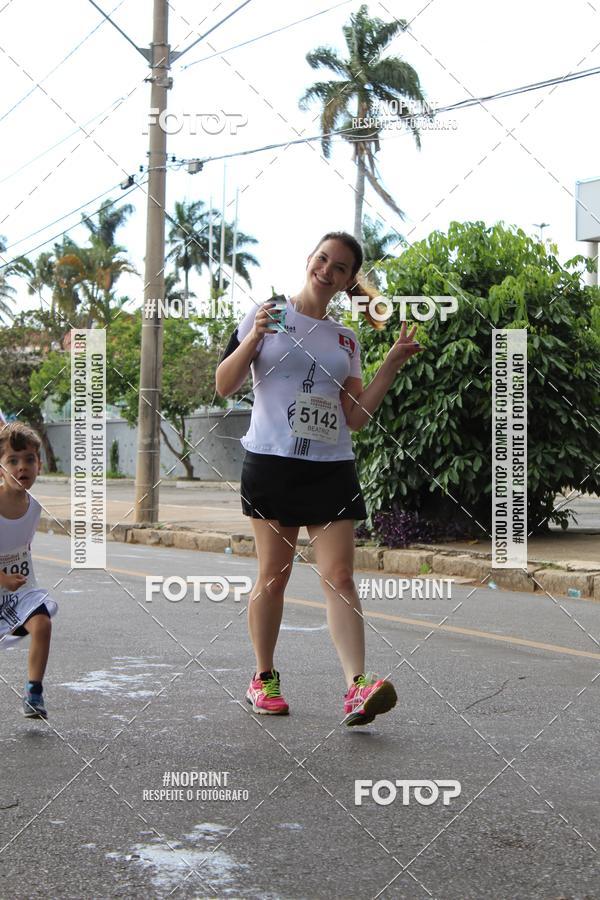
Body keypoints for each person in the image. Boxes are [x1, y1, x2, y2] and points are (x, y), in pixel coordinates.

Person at [216, 231, 423, 726]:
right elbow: (224, 385)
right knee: (274, 576)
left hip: (331, 467)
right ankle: (263, 678)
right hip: (272, 461)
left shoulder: (345, 339)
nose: (327, 270)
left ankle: (357, 687)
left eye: (340, 266)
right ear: (309, 259)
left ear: (350, 280)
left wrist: (390, 364)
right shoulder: (266, 313)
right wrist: (252, 338)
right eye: (322, 258)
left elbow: (353, 417)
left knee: (342, 577)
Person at [0, 422, 58, 719]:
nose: (21, 467)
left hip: (20, 590)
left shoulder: (34, 507)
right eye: (12, 460)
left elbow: (23, 546)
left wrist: (16, 577)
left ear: (40, 465)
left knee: (42, 623)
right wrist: (3, 578)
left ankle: (34, 693)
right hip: (3, 583)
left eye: (29, 460)